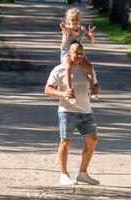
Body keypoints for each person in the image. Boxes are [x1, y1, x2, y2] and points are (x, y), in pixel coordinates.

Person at [45, 42, 99, 186]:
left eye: (82, 53)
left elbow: (95, 84)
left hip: (86, 111)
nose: (79, 56)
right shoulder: (60, 69)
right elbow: (47, 89)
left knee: (92, 140)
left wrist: (95, 89)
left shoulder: (87, 68)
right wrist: (62, 93)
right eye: (76, 53)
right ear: (69, 53)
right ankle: (63, 174)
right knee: (65, 141)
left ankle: (82, 173)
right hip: (67, 111)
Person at [60, 8, 98, 104]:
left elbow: (92, 42)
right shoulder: (67, 30)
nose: (75, 22)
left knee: (89, 66)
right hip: (67, 53)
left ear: (79, 20)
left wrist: (91, 35)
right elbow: (65, 32)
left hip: (78, 54)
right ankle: (70, 93)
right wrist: (64, 28)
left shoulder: (81, 30)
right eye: (72, 20)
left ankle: (92, 89)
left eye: (76, 19)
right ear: (68, 21)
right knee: (68, 67)